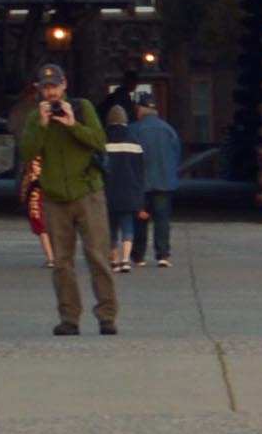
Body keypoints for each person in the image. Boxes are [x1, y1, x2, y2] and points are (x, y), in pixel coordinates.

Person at [17, 58, 117, 335]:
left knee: (97, 256)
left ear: (64, 85)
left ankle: (107, 315)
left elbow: (99, 141)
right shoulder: (35, 118)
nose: (51, 93)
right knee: (62, 262)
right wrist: (43, 124)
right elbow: (27, 151)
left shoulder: (83, 109)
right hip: (55, 197)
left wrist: (73, 124)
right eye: (45, 88)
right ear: (40, 90)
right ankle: (69, 318)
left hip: (87, 192)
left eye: (55, 87)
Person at [130, 85, 182, 269]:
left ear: (140, 109)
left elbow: (130, 156)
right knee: (162, 220)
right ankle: (162, 254)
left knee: (140, 219)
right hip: (164, 181)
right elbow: (177, 155)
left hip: (141, 182)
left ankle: (138, 255)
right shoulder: (168, 129)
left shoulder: (134, 130)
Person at [102, 101, 146, 270]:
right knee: (127, 225)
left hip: (109, 190)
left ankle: (113, 260)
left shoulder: (103, 139)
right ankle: (125, 260)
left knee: (111, 226)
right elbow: (140, 171)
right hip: (129, 191)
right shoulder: (134, 141)